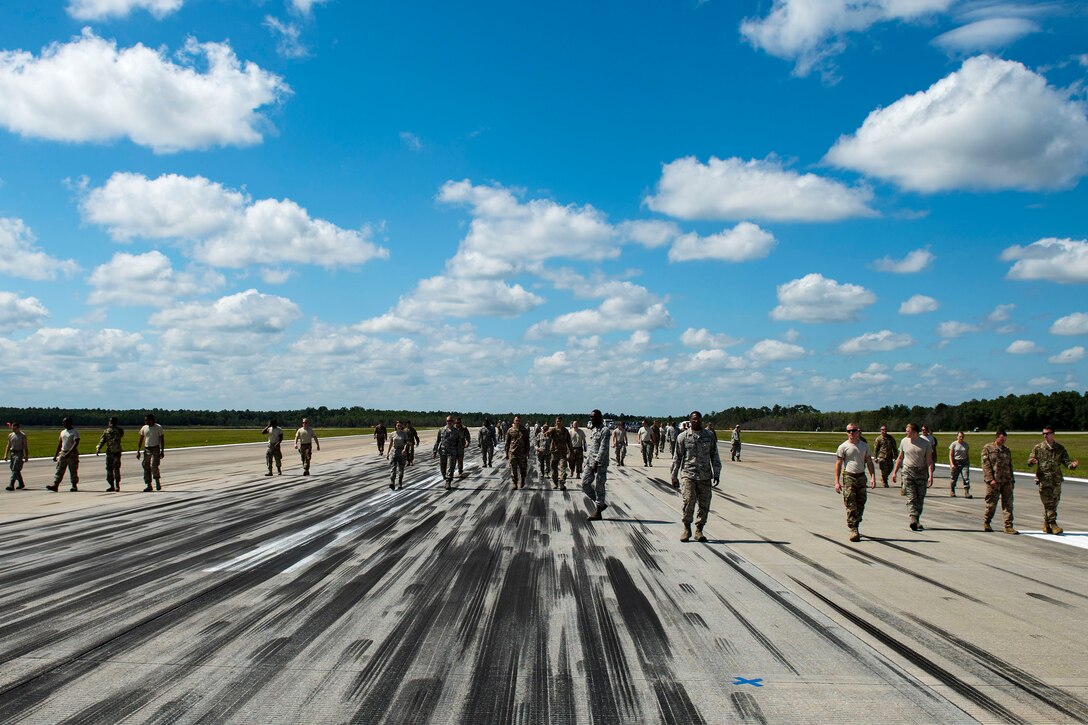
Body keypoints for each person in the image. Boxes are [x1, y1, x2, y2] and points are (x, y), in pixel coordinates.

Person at [671, 410, 722, 542]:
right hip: (688, 474)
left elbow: (714, 455)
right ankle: (687, 528)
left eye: (698, 419)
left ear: (701, 420)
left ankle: (699, 529)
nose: (696, 421)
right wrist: (674, 475)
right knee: (688, 501)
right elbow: (677, 457)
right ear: (690, 421)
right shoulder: (683, 437)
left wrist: (717, 473)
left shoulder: (709, 436)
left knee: (704, 504)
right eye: (693, 419)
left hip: (705, 476)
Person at [1028, 426, 1079, 535]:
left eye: (1048, 433)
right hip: (1043, 479)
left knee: (1054, 503)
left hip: (1056, 480)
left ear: (1053, 434)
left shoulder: (1060, 448)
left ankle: (1046, 524)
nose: (1045, 435)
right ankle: (1053, 524)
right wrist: (1032, 462)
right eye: (1044, 433)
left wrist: (1072, 466)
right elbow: (1030, 461)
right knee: (1048, 503)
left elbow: (1066, 462)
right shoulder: (1038, 448)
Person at [835, 424, 876, 542]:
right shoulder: (843, 447)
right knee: (850, 502)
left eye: (853, 431)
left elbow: (869, 462)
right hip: (849, 476)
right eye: (849, 431)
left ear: (858, 432)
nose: (851, 433)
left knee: (861, 503)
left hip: (861, 477)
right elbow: (838, 464)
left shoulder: (864, 446)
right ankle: (853, 528)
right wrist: (837, 481)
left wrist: (873, 477)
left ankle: (856, 522)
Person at [891, 423, 933, 531]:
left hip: (921, 472)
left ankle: (916, 519)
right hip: (908, 471)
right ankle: (913, 518)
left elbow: (929, 460)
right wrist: (894, 472)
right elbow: (900, 458)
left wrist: (931, 476)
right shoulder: (904, 441)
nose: (906, 433)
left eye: (908, 431)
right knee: (911, 496)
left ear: (915, 432)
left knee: (920, 497)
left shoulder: (925, 443)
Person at [981, 429, 1017, 534]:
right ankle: (987, 522)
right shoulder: (988, 448)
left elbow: (1010, 466)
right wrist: (990, 479)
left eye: (1005, 440)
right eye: (1001, 439)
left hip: (1006, 481)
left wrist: (1012, 480)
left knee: (1008, 504)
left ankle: (1008, 526)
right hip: (994, 481)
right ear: (996, 438)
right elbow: (985, 465)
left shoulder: (1007, 450)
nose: (1003, 441)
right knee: (991, 503)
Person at [582, 409, 611, 521]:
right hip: (590, 462)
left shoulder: (605, 431)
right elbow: (592, 448)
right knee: (584, 484)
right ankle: (601, 504)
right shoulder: (594, 430)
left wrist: (596, 462)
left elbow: (603, 448)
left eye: (593, 417)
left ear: (599, 418)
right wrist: (587, 462)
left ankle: (598, 511)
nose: (591, 419)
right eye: (590, 417)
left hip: (600, 464)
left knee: (599, 486)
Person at [49, 416, 80, 492]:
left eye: (65, 422)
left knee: (73, 470)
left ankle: (74, 485)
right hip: (63, 453)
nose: (63, 423)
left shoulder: (74, 432)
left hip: (72, 454)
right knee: (59, 469)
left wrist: (69, 452)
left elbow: (76, 443)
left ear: (70, 423)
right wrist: (56, 455)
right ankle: (55, 485)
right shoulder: (62, 432)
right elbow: (60, 444)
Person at [136, 414, 166, 491]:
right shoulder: (144, 428)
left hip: (155, 448)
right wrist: (138, 451)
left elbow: (162, 439)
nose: (145, 421)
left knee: (154, 466)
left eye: (147, 420)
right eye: (145, 420)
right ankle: (148, 484)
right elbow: (141, 439)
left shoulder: (158, 427)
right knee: (146, 466)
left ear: (152, 420)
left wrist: (162, 451)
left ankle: (157, 481)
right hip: (147, 449)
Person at [95, 416, 125, 491]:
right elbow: (102, 440)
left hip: (116, 452)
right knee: (109, 469)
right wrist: (98, 448)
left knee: (116, 468)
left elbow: (121, 435)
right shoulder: (106, 431)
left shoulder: (119, 430)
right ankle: (111, 485)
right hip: (109, 452)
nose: (111, 423)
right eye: (110, 421)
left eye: (112, 422)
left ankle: (117, 485)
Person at [432, 416, 460, 489]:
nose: (449, 422)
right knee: (442, 467)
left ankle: (448, 482)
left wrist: (459, 454)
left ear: (453, 422)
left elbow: (458, 443)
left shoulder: (456, 431)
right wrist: (434, 451)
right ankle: (445, 477)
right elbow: (437, 441)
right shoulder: (441, 430)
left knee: (451, 467)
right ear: (446, 421)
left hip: (452, 451)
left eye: (450, 421)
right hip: (443, 451)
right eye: (448, 421)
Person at [547, 416, 573, 490]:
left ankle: (562, 484)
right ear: (555, 422)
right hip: (554, 452)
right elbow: (548, 433)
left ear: (562, 422)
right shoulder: (553, 430)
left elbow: (569, 442)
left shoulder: (565, 431)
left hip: (563, 453)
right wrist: (546, 433)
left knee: (563, 468)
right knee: (554, 469)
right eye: (557, 421)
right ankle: (555, 483)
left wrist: (571, 451)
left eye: (560, 421)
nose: (558, 423)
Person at [505, 415, 530, 490]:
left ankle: (522, 479)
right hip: (513, 453)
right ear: (514, 421)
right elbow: (507, 442)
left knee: (523, 469)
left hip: (522, 453)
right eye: (516, 420)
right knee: (513, 469)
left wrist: (527, 452)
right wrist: (506, 453)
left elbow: (527, 442)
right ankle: (514, 483)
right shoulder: (510, 430)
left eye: (519, 420)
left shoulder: (524, 430)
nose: (518, 422)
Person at [4, 422, 29, 491]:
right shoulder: (10, 435)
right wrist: (6, 454)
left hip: (19, 453)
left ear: (18, 428)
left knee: (15, 468)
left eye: (14, 428)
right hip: (12, 453)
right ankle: (21, 483)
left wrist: (26, 455)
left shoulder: (22, 435)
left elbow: (25, 446)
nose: (13, 429)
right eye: (12, 428)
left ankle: (11, 484)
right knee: (13, 468)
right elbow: (8, 445)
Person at [948, 431, 972, 498]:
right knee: (953, 478)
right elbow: (950, 455)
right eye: (960, 436)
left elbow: (967, 454)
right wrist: (952, 464)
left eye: (962, 437)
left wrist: (968, 463)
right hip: (956, 462)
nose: (961, 438)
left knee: (966, 477)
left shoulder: (966, 445)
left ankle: (967, 492)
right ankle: (952, 490)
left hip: (964, 462)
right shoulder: (953, 444)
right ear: (957, 436)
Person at [387, 421, 409, 490]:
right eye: (398, 425)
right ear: (395, 426)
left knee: (401, 469)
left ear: (402, 426)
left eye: (400, 425)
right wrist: (388, 453)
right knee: (393, 468)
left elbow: (406, 443)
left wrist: (404, 449)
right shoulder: (392, 434)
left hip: (402, 453)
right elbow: (390, 443)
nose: (399, 426)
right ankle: (392, 482)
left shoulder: (404, 434)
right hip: (394, 452)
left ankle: (400, 483)